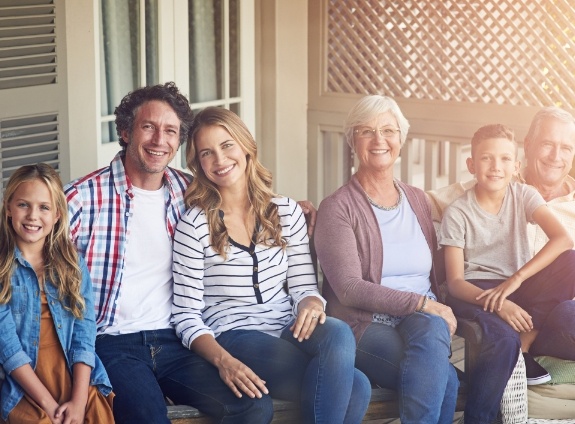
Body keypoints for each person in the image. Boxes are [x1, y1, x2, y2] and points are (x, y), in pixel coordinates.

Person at [65, 83, 275, 423]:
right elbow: (28, 255)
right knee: (150, 418)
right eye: (148, 127)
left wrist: (290, 207)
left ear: (179, 141)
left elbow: (242, 200)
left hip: (178, 340)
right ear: (125, 131)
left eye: (171, 131)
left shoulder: (190, 191)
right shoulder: (81, 198)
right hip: (113, 343)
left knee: (253, 406)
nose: (159, 140)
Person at [171, 106, 370, 424]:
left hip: (286, 326)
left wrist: (310, 304)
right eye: (207, 153)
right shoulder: (194, 225)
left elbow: (305, 286)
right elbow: (185, 316)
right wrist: (222, 360)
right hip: (234, 335)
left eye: (226, 146)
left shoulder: (286, 211)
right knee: (357, 387)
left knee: (339, 334)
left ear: (246, 146)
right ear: (198, 164)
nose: (220, 160)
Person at [314, 95, 459, 424]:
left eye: (388, 131)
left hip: (422, 320)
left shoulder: (418, 199)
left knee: (433, 331)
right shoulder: (338, 207)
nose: (379, 140)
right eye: (366, 131)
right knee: (446, 381)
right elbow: (349, 289)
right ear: (352, 140)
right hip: (366, 323)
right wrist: (423, 304)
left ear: (401, 140)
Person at [439, 124, 575, 424]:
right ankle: (479, 419)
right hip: (474, 291)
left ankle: (526, 342)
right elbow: (455, 282)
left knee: (571, 262)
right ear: (471, 165)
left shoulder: (523, 195)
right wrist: (500, 303)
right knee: (502, 340)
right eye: (487, 159)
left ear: (516, 166)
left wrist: (516, 280)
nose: (495, 167)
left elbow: (563, 239)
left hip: (515, 285)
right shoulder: (458, 213)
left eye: (504, 159)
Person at [0, 164, 114, 424]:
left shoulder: (72, 264)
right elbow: (7, 348)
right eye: (23, 205)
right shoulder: (2, 268)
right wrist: (50, 407)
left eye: (44, 207)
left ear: (58, 215)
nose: (32, 216)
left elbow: (84, 334)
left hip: (75, 375)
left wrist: (79, 400)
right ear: (8, 207)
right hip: (24, 379)